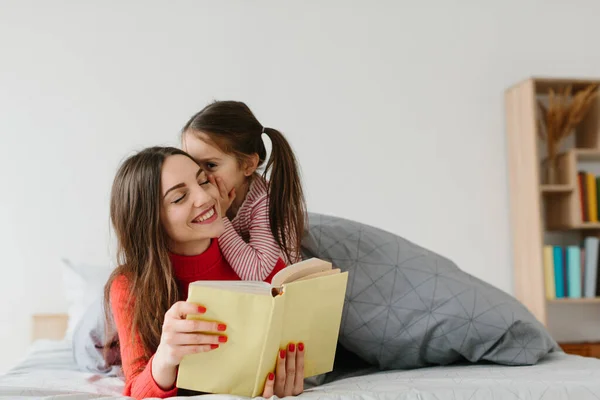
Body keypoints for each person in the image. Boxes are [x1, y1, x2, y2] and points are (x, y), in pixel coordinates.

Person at [104, 146, 305, 399]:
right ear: (150, 221)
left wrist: (287, 378)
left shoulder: (252, 256)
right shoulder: (129, 284)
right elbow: (136, 388)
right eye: (179, 198)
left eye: (203, 181)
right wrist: (166, 356)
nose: (205, 197)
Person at [181, 100, 307, 281]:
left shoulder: (265, 202)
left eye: (210, 165)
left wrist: (221, 218)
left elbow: (257, 272)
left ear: (248, 165)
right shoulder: (208, 196)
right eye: (193, 163)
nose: (201, 176)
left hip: (280, 294)